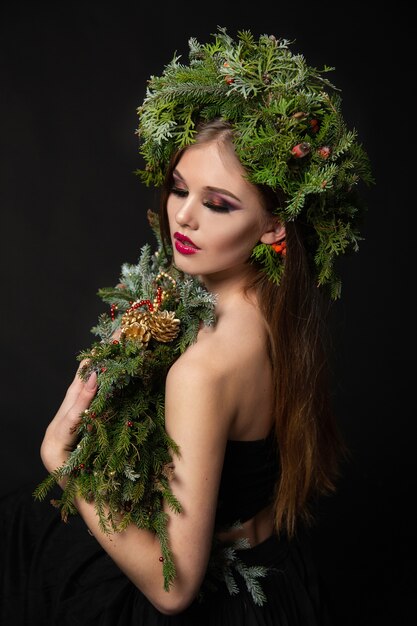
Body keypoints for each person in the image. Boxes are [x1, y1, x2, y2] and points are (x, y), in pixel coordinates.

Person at [0, 27, 373, 625]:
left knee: (23, 532)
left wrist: (61, 462)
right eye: (179, 189)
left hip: (226, 602)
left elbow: (174, 588)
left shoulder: (204, 369)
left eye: (219, 203)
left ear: (275, 227)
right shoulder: (279, 316)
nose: (184, 217)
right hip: (281, 578)